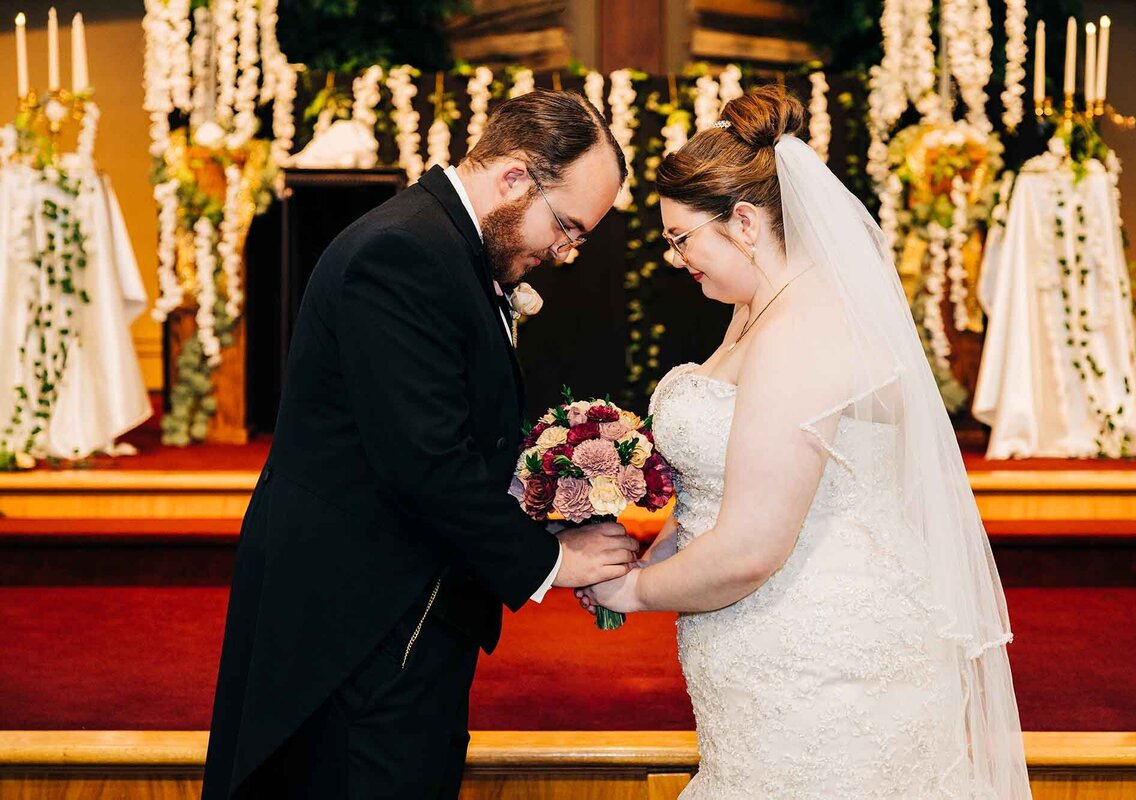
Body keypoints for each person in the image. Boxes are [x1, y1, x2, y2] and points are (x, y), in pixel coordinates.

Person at [580, 86, 1033, 798]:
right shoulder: (759, 308)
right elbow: (727, 484)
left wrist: (633, 590)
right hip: (765, 653)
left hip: (821, 657)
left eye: (681, 238)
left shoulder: (801, 332)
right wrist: (652, 544)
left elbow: (754, 546)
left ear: (746, 221)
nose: (675, 258)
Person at [203, 90, 639, 799]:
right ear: (514, 179)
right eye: (566, 229)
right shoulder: (402, 251)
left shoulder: (446, 245)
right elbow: (424, 461)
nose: (564, 254)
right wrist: (552, 560)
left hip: (403, 603)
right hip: (360, 624)